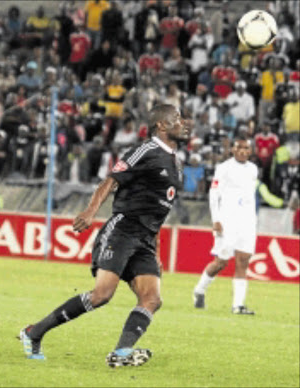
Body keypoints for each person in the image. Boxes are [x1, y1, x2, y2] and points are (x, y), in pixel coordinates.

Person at [19, 104, 190, 367]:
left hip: (145, 240)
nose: (183, 123)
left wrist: (155, 252)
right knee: (101, 295)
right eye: (177, 119)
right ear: (162, 126)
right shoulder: (146, 150)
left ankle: (120, 353)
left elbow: (159, 211)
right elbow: (110, 180)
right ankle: (34, 333)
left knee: (152, 299)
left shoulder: (175, 164)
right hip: (122, 230)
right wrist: (90, 211)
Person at [193, 137, 258, 315]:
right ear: (233, 150)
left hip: (247, 221)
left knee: (243, 261)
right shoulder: (224, 168)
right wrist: (216, 220)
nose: (243, 151)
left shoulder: (253, 169)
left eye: (246, 148)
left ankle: (238, 306)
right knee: (221, 262)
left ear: (250, 151)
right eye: (239, 147)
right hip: (227, 221)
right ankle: (199, 290)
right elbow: (214, 194)